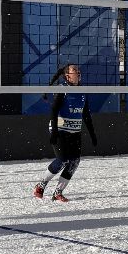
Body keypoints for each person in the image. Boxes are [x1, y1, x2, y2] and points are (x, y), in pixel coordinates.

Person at [35, 63, 98, 202]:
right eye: (74, 70)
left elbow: (86, 114)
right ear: (67, 76)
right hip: (60, 129)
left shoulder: (82, 91)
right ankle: (41, 185)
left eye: (78, 70)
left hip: (75, 131)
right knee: (63, 159)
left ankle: (58, 192)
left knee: (74, 161)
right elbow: (54, 110)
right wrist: (54, 132)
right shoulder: (62, 89)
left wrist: (92, 134)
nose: (78, 72)